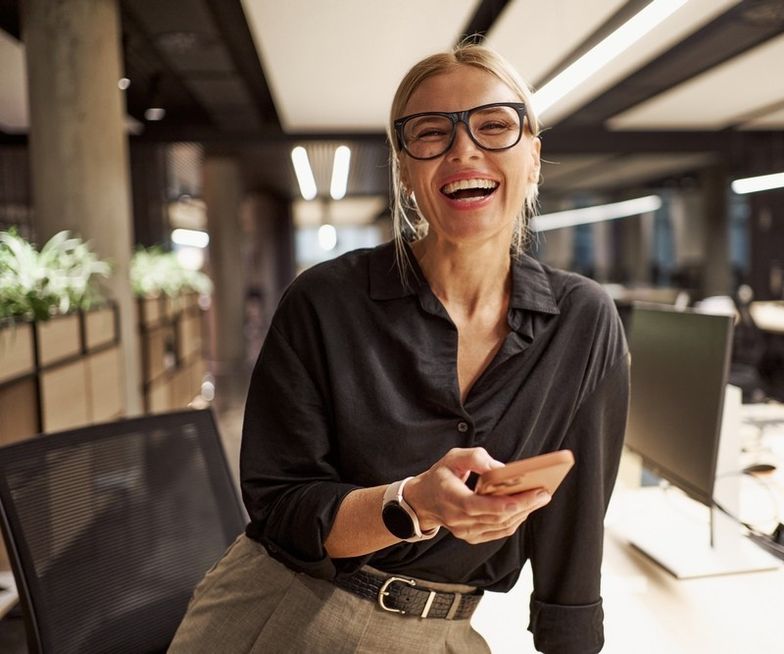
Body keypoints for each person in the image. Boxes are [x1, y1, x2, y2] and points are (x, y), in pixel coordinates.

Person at [170, 42, 629, 654]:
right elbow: (280, 508)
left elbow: (574, 524)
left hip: (447, 633)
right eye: (431, 133)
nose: (464, 150)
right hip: (287, 611)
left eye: (494, 126)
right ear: (406, 170)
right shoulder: (324, 301)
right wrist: (408, 504)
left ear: (534, 157)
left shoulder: (583, 320)